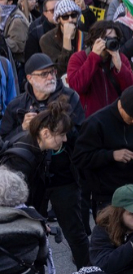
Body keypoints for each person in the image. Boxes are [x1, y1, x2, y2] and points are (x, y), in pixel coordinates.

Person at [0, 97, 90, 268]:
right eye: (61, 135)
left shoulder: (36, 148)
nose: (65, 140)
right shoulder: (22, 159)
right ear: (46, 133)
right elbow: (15, 203)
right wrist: (34, 221)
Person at [73, 85, 133, 212]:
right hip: (107, 193)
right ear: (121, 105)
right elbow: (79, 157)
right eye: (131, 117)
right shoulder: (96, 123)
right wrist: (111, 155)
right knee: (111, 231)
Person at [67, 21, 133, 118]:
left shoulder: (121, 58)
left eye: (114, 39)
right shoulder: (78, 58)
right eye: (106, 39)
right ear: (94, 40)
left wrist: (120, 67)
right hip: (89, 120)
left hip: (114, 118)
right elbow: (77, 86)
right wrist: (94, 57)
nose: (110, 42)